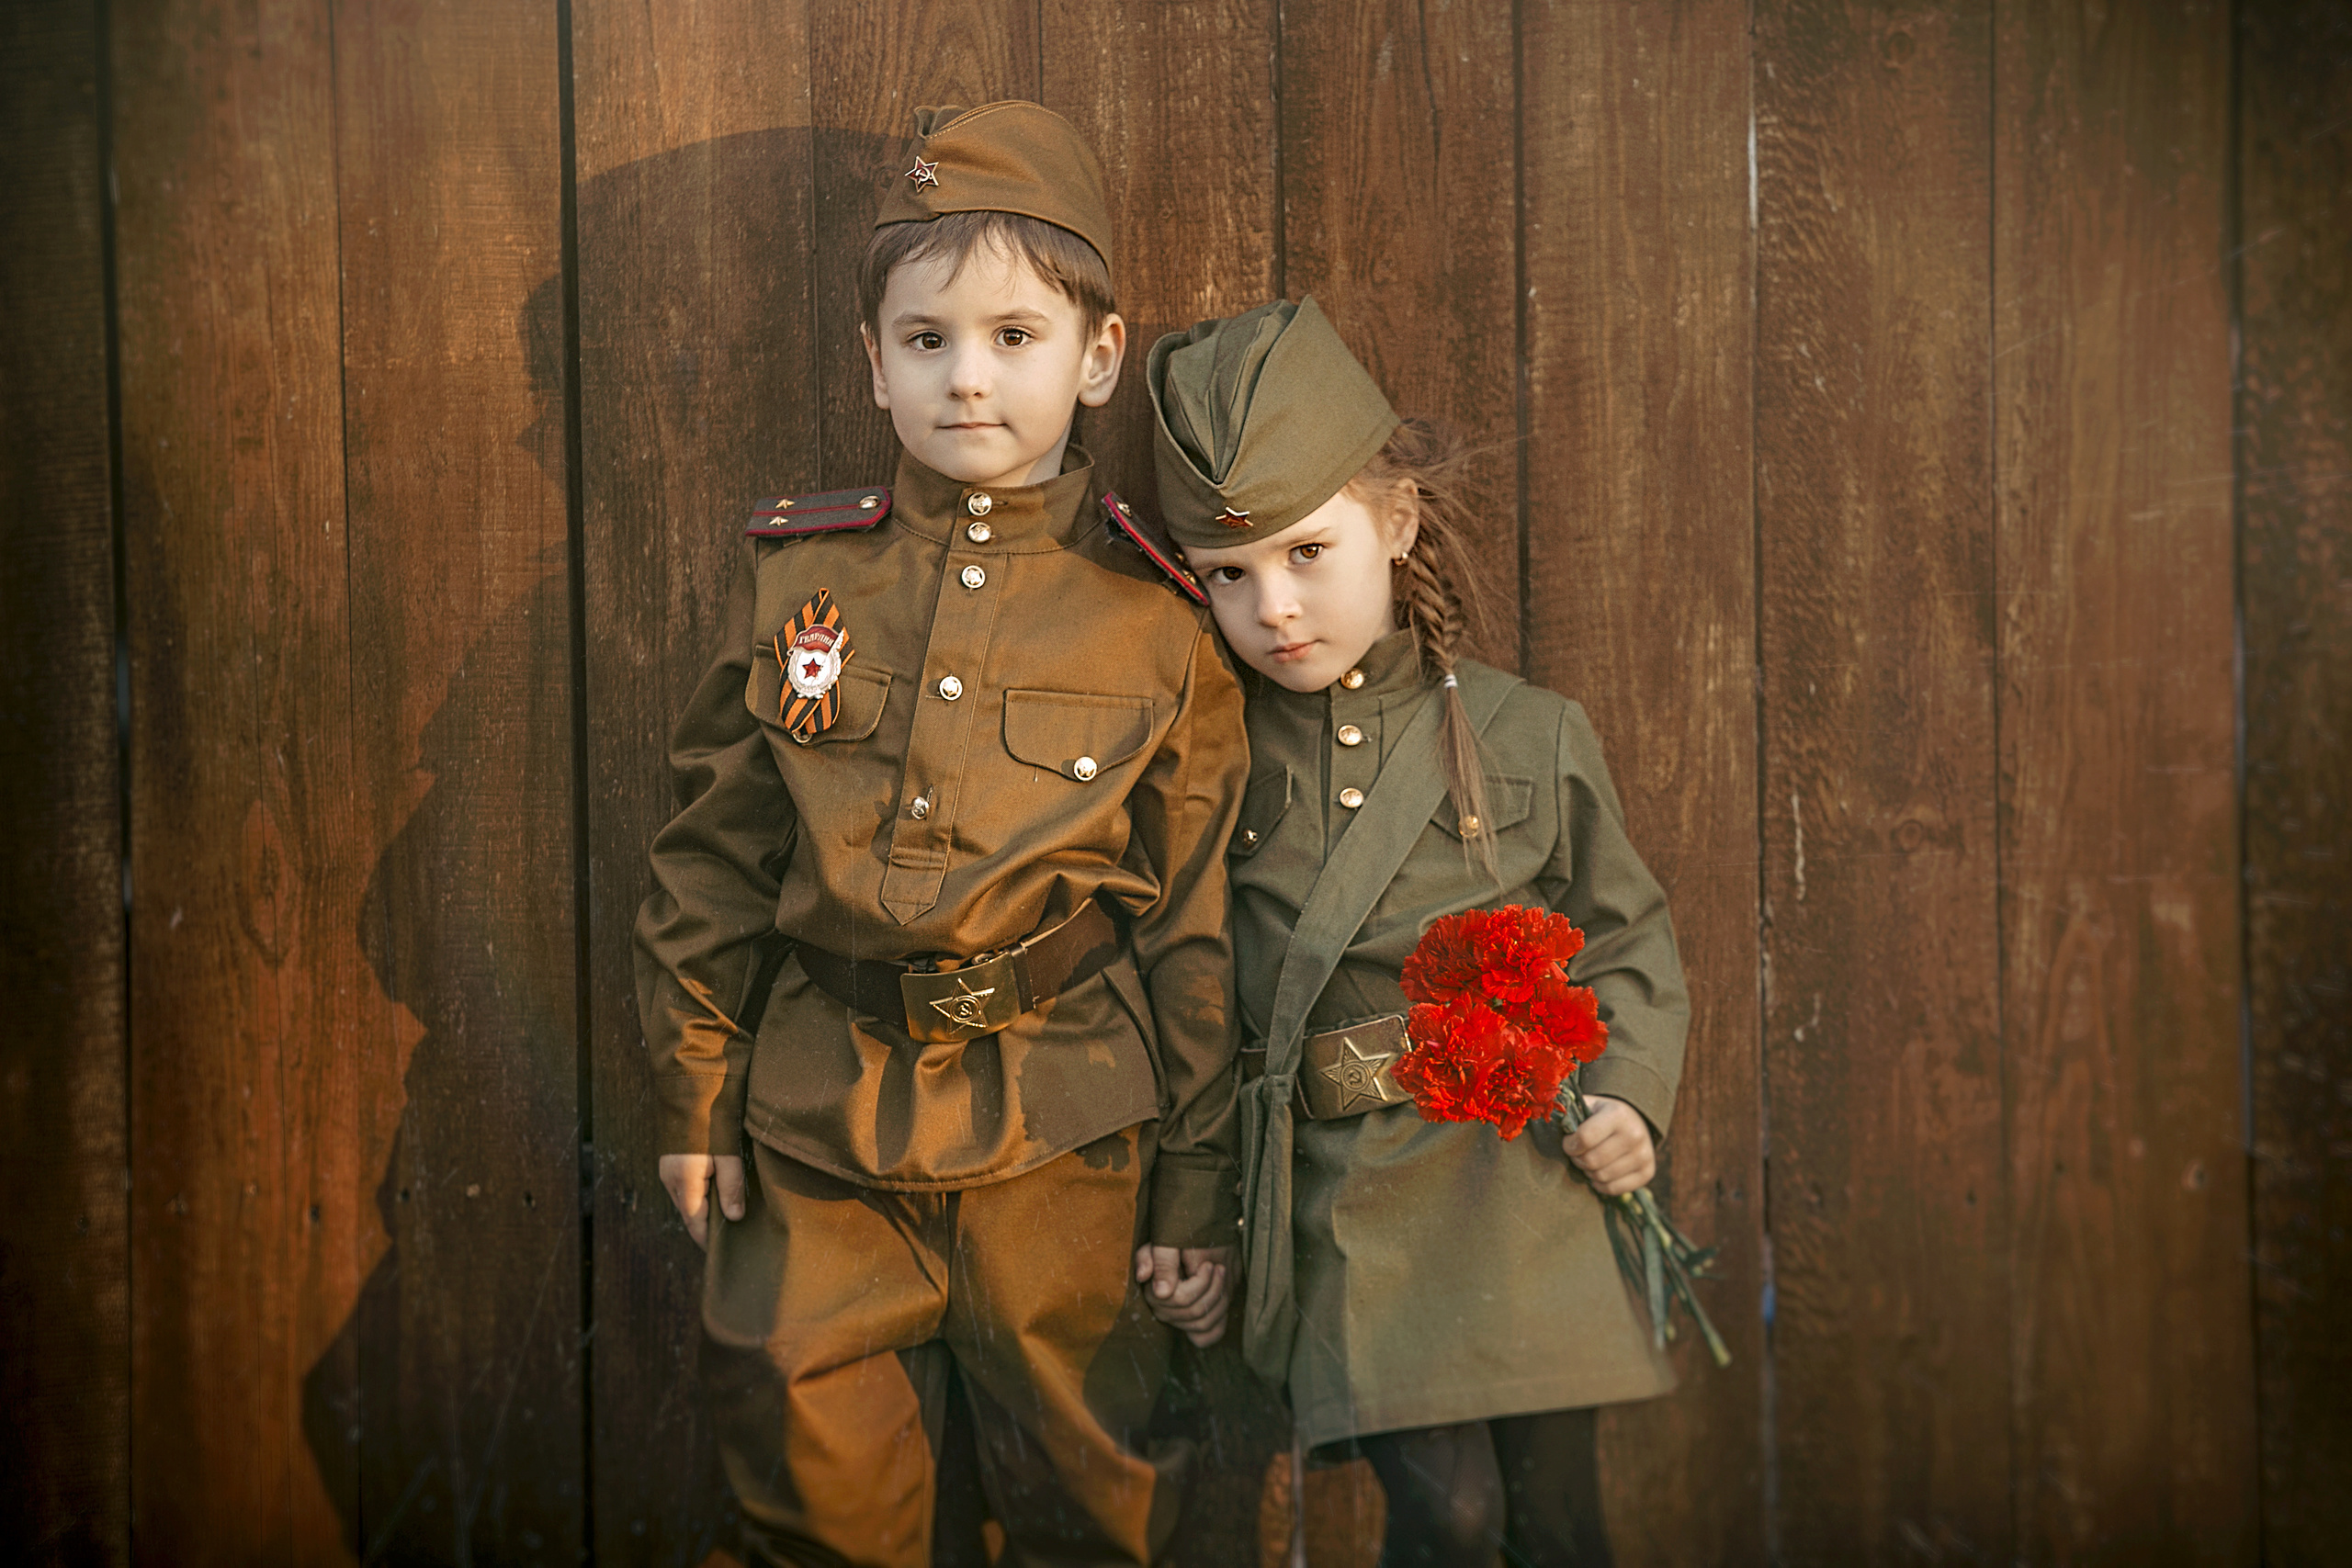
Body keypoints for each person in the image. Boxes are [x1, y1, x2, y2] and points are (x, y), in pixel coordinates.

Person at [634, 102, 1243, 1566]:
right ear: (874, 358)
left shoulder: (1159, 621)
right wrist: (693, 1096)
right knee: (815, 1509)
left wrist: (1197, 1186)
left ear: (1098, 356)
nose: (968, 379)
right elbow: (711, 859)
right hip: (814, 1136)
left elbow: (1200, 921)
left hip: (1070, 1151)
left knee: (1102, 1518)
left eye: (1016, 338)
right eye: (926, 341)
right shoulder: (797, 585)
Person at [1145, 298, 1691, 1566]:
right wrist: (1199, 1214)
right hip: (1352, 1202)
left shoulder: (1527, 732)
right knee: (1447, 1519)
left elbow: (1626, 940)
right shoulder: (1204, 757)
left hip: (1524, 1180)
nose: (1272, 607)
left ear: (1394, 523)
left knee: (1560, 1526)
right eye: (1229, 575)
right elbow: (1187, 992)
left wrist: (1633, 1102)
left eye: (1307, 553)